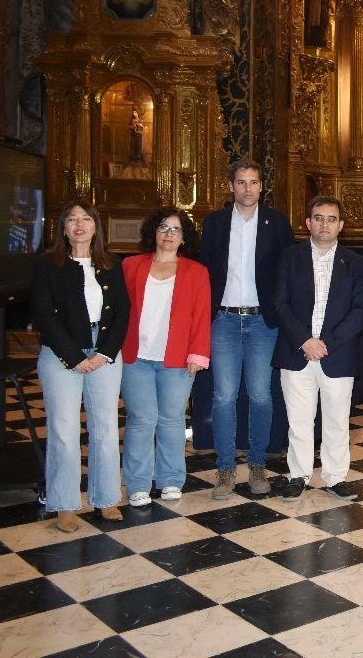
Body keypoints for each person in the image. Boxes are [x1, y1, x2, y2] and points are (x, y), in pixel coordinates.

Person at [32, 200, 130, 532]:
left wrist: (104, 353)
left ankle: (106, 498)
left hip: (103, 353)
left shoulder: (111, 264)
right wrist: (74, 357)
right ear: (63, 227)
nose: (79, 224)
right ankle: (65, 503)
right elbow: (43, 314)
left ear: (95, 226)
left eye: (86, 218)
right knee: (64, 429)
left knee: (104, 427)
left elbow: (122, 313)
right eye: (72, 219)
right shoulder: (48, 264)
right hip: (60, 353)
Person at [200, 159, 293, 501]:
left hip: (261, 322)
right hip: (223, 320)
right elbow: (205, 270)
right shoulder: (214, 223)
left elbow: (287, 272)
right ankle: (225, 469)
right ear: (231, 186)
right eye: (241, 182)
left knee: (260, 395)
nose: (247, 188)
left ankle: (256, 465)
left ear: (261, 187)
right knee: (223, 396)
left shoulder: (277, 223)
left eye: (253, 182)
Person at [272, 196, 363, 503]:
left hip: (337, 354)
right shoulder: (290, 258)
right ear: (308, 223)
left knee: (337, 421)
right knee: (299, 420)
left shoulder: (356, 263)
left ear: (340, 225)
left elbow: (359, 310)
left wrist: (328, 343)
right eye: (318, 218)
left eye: (330, 219)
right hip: (296, 351)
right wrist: (305, 340)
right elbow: (280, 303)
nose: (324, 224)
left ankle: (335, 477)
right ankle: (298, 476)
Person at [121, 208, 211, 507]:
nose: (170, 234)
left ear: (184, 237)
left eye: (176, 229)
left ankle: (171, 480)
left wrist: (199, 353)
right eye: (164, 227)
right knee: (140, 420)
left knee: (172, 420)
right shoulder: (131, 266)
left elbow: (201, 316)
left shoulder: (196, 271)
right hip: (136, 356)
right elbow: (119, 312)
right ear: (153, 232)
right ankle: (137, 484)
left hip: (177, 358)